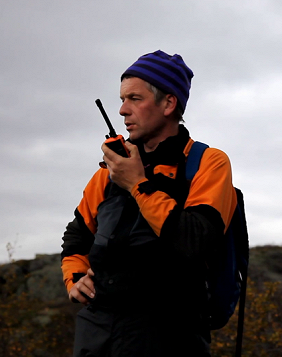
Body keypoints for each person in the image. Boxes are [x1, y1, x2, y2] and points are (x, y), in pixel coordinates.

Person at [61, 50, 238, 357]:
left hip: (171, 336)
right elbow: (77, 237)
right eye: (121, 99)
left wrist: (137, 185)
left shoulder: (207, 163)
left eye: (134, 99)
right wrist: (75, 279)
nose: (122, 111)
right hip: (97, 335)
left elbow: (195, 240)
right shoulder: (107, 175)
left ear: (168, 103)